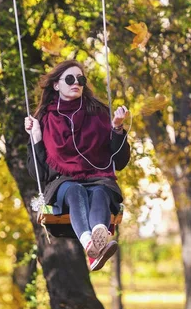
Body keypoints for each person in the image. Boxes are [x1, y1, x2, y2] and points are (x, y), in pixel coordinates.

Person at [24, 59, 130, 271]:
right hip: (63, 183)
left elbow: (119, 161)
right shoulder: (45, 119)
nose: (76, 83)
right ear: (56, 85)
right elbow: (40, 174)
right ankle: (89, 243)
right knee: (76, 190)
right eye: (70, 79)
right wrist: (35, 137)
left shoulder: (99, 113)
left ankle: (98, 239)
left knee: (100, 191)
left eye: (81, 79)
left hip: (99, 177)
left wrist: (117, 130)